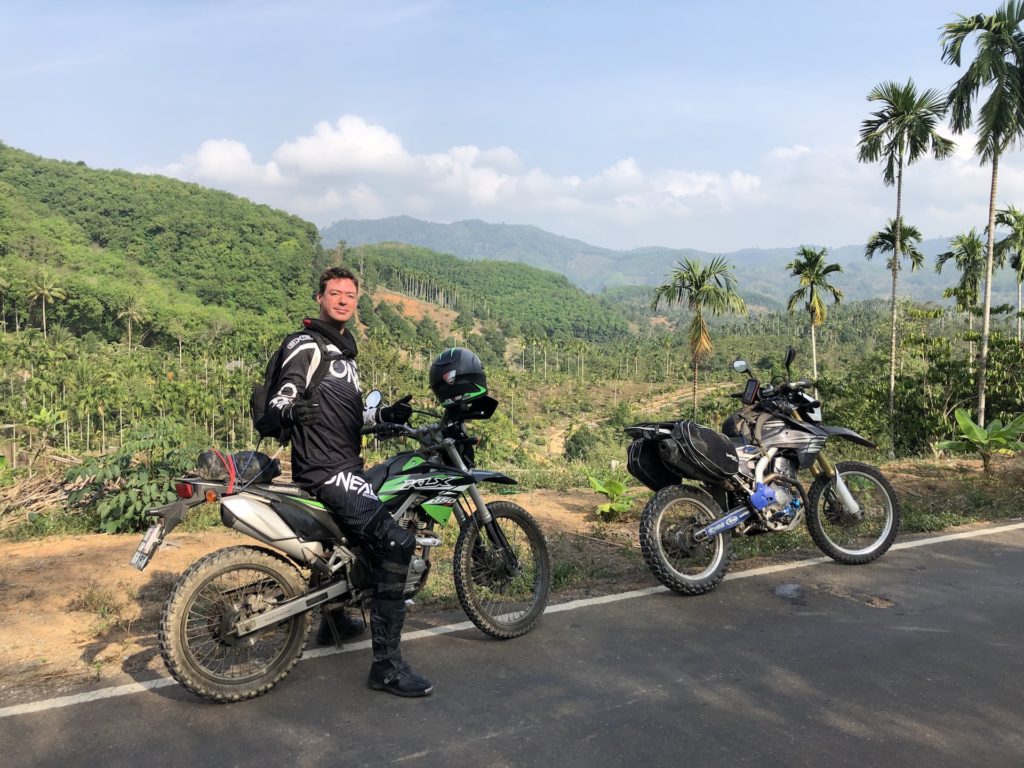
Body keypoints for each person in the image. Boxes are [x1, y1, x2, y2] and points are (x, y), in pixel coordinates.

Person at [265, 266, 432, 698]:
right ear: (318, 297)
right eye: (335, 293)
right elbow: (285, 392)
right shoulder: (306, 344)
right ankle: (387, 667)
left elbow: (348, 416)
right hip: (328, 470)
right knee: (396, 542)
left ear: (356, 303)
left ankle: (335, 618)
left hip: (342, 464)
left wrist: (383, 417)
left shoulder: (342, 355)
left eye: (350, 295)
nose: (342, 300)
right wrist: (289, 411)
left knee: (352, 543)